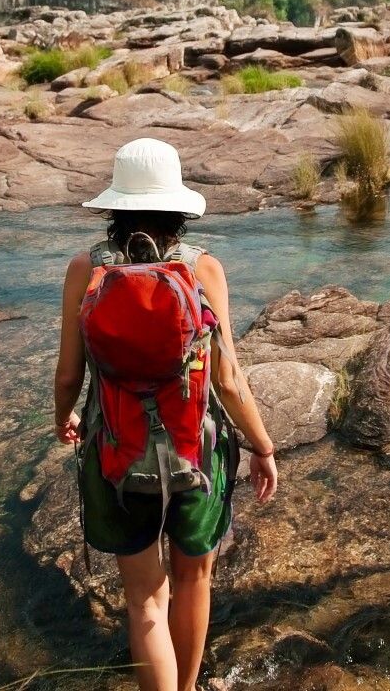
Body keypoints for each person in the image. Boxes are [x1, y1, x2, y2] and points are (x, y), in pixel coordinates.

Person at [54, 137, 279, 691]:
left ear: (114, 206)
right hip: (195, 453)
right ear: (179, 207)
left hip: (115, 453)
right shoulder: (204, 269)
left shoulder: (85, 269)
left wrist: (65, 418)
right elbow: (227, 379)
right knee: (193, 580)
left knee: (144, 603)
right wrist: (263, 447)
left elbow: (68, 373)